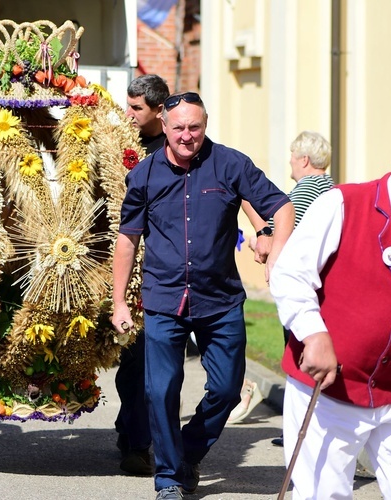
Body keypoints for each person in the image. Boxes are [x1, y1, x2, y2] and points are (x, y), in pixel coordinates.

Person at [112, 91, 294, 500]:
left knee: (228, 390)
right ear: (164, 125)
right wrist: (119, 301)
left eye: (195, 127)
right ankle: (170, 479)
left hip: (221, 299)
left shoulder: (230, 164)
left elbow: (281, 208)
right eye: (178, 128)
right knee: (160, 390)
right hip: (164, 300)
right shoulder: (143, 175)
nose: (187, 136)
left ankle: (187, 450)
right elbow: (128, 239)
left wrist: (276, 256)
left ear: (206, 124)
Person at [270, 122, 391, 499]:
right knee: (322, 494)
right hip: (328, 391)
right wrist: (314, 332)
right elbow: (290, 274)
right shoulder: (342, 204)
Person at [228, 131, 335, 431]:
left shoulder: (304, 191)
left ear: (304, 159)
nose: (289, 160)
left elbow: (279, 234)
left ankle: (302, 430)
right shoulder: (330, 188)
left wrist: (252, 238)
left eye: (292, 155)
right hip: (323, 285)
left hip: (302, 286)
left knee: (300, 355)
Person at [114, 74, 170, 477]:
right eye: (128, 106)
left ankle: (139, 442)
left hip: (161, 267)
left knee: (152, 363)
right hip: (124, 261)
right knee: (133, 361)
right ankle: (131, 434)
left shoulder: (176, 147)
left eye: (136, 109)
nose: (128, 114)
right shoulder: (118, 140)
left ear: (158, 110)